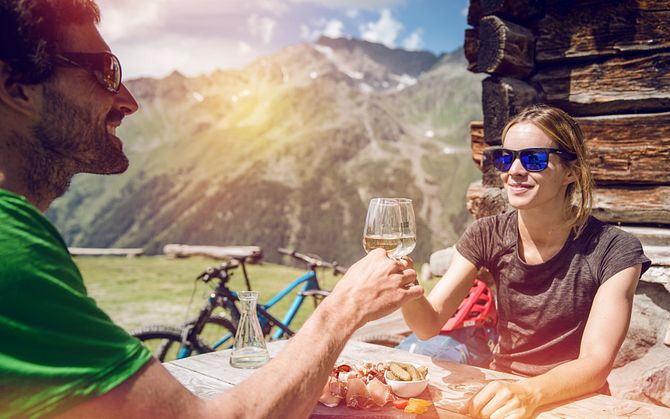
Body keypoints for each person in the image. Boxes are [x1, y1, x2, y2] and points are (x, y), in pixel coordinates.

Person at [0, 1, 423, 417]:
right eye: (106, 73)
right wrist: (343, 308)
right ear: (14, 85)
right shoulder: (12, 248)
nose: (128, 101)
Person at [401, 104, 651, 419]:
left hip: (575, 400)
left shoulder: (615, 249)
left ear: (570, 172)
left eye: (534, 159)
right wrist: (407, 286)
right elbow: (427, 324)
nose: (515, 171)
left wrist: (530, 393)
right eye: (507, 158)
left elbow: (596, 364)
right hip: (505, 389)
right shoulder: (486, 233)